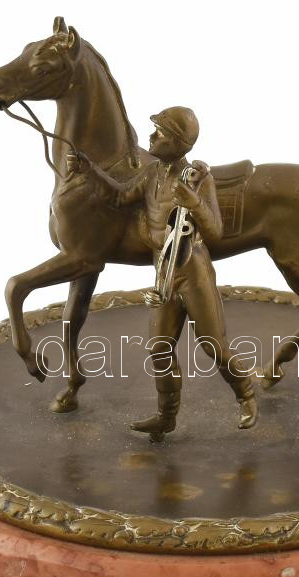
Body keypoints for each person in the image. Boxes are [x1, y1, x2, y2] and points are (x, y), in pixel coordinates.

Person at [67, 106, 258, 440]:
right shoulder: (151, 174)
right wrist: (89, 170)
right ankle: (166, 417)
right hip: (164, 272)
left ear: (178, 142)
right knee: (158, 348)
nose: (151, 136)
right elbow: (119, 197)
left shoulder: (198, 179)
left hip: (193, 271)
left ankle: (247, 397)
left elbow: (215, 231)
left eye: (160, 132)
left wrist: (194, 202)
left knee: (213, 345)